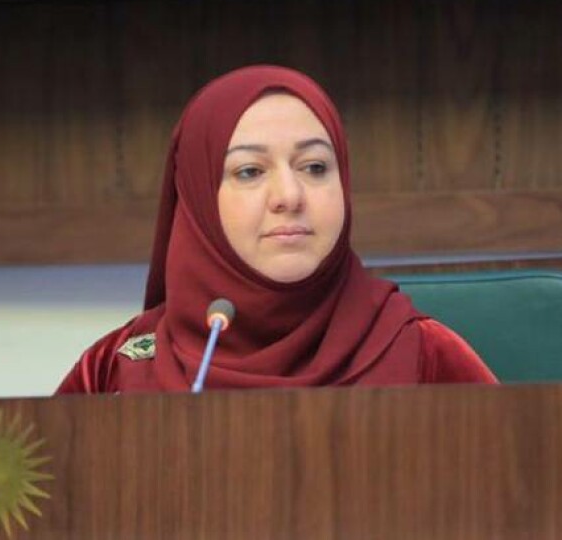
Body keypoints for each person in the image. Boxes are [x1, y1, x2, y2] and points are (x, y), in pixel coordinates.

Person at [56, 65, 496, 394]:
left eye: (315, 167)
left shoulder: (424, 354)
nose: (289, 195)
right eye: (250, 171)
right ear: (196, 199)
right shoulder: (116, 370)